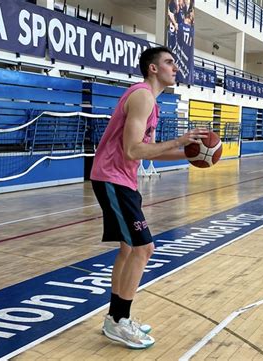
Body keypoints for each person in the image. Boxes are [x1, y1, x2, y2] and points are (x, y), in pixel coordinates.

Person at [90, 46, 208, 349]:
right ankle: (121, 322)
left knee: (129, 249)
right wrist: (180, 140)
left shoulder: (151, 102)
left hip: (121, 179)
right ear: (153, 68)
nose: (175, 68)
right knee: (145, 249)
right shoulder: (142, 96)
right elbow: (132, 150)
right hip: (113, 178)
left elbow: (148, 150)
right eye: (169, 62)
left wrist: (191, 154)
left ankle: (114, 318)